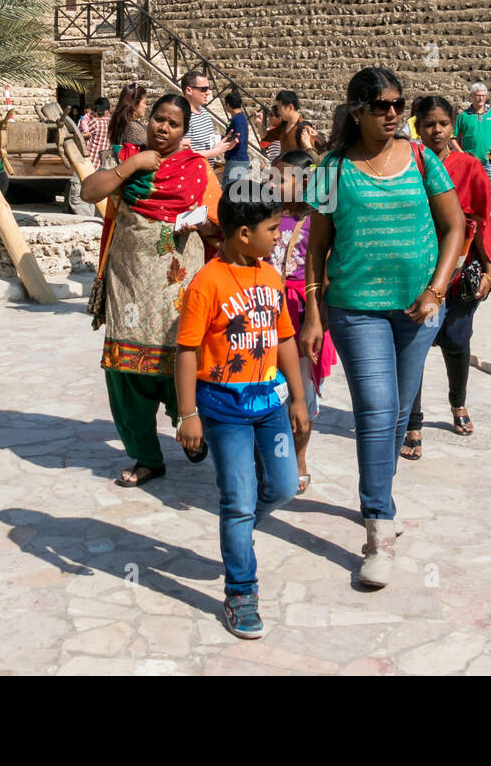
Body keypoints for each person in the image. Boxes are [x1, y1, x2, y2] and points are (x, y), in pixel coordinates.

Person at [300, 67, 464, 588]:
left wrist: (436, 290)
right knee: (375, 409)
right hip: (355, 308)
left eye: (399, 104)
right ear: (357, 112)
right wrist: (311, 311)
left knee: (395, 414)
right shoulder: (331, 169)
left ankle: (379, 496)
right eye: (381, 106)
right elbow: (317, 247)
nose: (393, 113)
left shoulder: (423, 159)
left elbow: (455, 227)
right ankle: (378, 526)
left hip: (418, 310)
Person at [174, 185, 306, 640]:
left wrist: (299, 398)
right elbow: (187, 350)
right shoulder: (206, 283)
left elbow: (285, 337)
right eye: (272, 229)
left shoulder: (270, 277)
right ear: (244, 233)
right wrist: (187, 414)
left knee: (285, 487)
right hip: (222, 408)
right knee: (236, 501)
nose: (278, 235)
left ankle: (244, 524)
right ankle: (241, 591)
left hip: (269, 404)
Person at [81, 93, 223, 487]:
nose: (163, 127)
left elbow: (220, 224)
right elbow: (89, 192)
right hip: (128, 283)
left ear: (183, 130)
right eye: (159, 119)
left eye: (173, 123)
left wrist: (202, 226)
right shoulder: (131, 159)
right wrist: (133, 165)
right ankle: (147, 456)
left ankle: (190, 428)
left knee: (182, 358)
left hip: (177, 286)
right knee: (125, 370)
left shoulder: (197, 168)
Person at [402, 96, 491, 459]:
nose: (436, 130)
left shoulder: (470, 167)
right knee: (414, 348)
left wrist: (489, 266)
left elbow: (483, 220)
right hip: (415, 273)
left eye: (443, 123)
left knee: (457, 341)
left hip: (458, 275)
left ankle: (458, 401)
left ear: (453, 127)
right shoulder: (407, 165)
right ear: (417, 127)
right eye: (428, 124)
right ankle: (413, 421)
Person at [267, 151, 336, 494]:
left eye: (282, 178)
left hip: (301, 313)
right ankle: (266, 457)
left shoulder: (318, 221)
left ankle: (298, 458)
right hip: (267, 314)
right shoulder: (267, 217)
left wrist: (320, 318)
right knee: (266, 388)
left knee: (302, 392)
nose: (274, 184)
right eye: (272, 178)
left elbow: (325, 270)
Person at [454, 83, 491, 225]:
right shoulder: (463, 116)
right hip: (470, 161)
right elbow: (452, 137)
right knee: (470, 196)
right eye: (477, 95)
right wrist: (461, 153)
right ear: (471, 96)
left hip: (490, 161)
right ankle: (472, 226)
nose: (480, 98)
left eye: (483, 95)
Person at [180, 70, 238, 165]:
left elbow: (207, 145)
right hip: (192, 175)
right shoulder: (183, 116)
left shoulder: (205, 113)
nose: (208, 93)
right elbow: (183, 154)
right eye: (203, 89)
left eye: (208, 89)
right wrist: (216, 152)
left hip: (207, 173)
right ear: (189, 90)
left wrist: (225, 144)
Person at [262, 90, 317, 157]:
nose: (278, 112)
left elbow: (311, 161)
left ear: (290, 107)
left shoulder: (304, 129)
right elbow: (265, 136)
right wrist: (259, 123)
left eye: (280, 108)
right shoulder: (283, 127)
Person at [221, 90, 251, 184]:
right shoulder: (238, 118)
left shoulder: (238, 119)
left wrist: (225, 143)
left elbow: (239, 139)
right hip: (236, 160)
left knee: (230, 191)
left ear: (228, 105)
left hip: (236, 160)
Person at [109, 83, 149, 148]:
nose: (146, 106)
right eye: (144, 102)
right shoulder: (133, 127)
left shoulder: (123, 122)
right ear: (134, 104)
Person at [79, 98, 113, 171]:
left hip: (92, 162)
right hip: (105, 163)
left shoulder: (96, 122)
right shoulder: (112, 122)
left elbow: (80, 132)